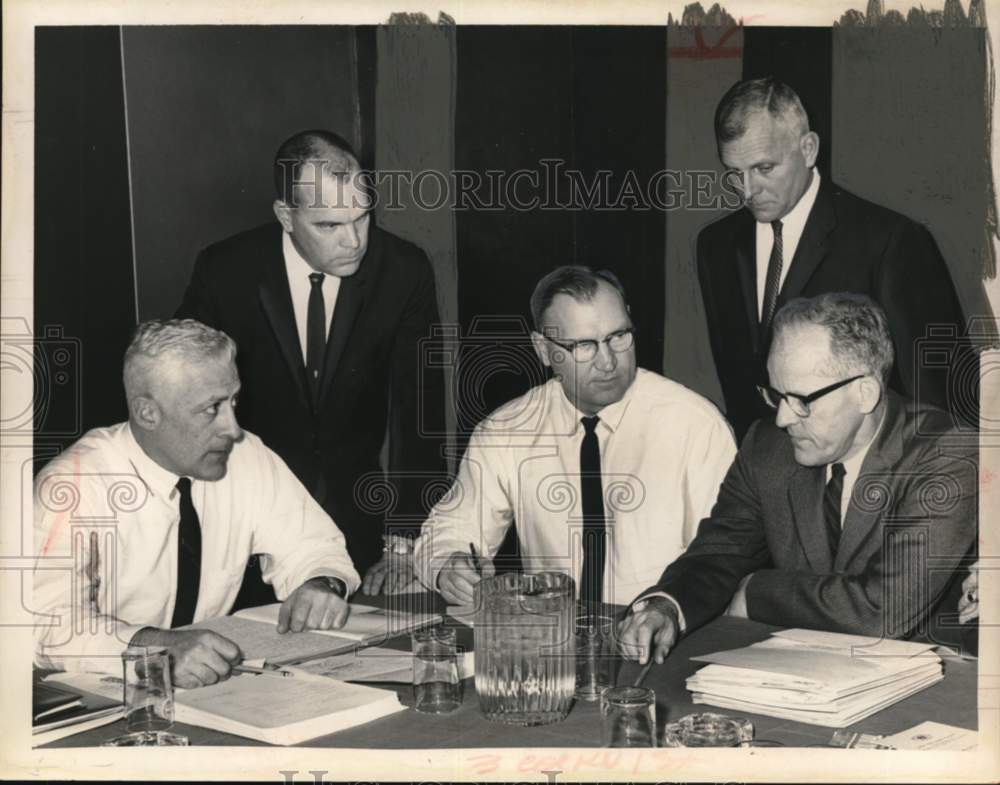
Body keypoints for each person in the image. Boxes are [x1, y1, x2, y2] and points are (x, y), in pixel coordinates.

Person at [619, 293, 977, 664]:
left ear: (865, 392)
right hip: (803, 671)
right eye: (776, 395)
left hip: (927, 680)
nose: (783, 419)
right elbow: (720, 552)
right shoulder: (767, 448)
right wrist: (667, 606)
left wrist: (755, 592)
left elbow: (881, 611)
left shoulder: (947, 456)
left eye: (802, 400)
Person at [176, 130, 446, 599]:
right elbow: (186, 397)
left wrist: (404, 539)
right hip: (243, 518)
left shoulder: (403, 270)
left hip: (356, 520)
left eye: (363, 217)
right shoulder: (225, 270)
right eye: (329, 226)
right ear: (286, 215)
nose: (354, 241)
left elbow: (419, 411)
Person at [33, 320, 360, 688]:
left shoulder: (245, 455)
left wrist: (319, 584)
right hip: (98, 697)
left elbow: (311, 544)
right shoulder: (73, 486)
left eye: (233, 401)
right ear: (147, 413)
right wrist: (153, 651)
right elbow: (46, 624)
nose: (232, 428)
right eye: (212, 408)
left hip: (211, 693)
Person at [413, 265, 737, 609]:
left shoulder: (695, 425)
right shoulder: (508, 430)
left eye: (619, 337)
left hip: (664, 634)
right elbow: (449, 530)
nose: (608, 361)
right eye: (584, 345)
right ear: (543, 350)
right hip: (555, 641)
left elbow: (724, 557)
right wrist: (448, 565)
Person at [698, 77, 973, 443]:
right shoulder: (714, 246)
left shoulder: (892, 242)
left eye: (765, 168)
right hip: (766, 481)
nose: (747, 190)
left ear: (809, 149)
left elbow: (940, 404)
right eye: (734, 173)